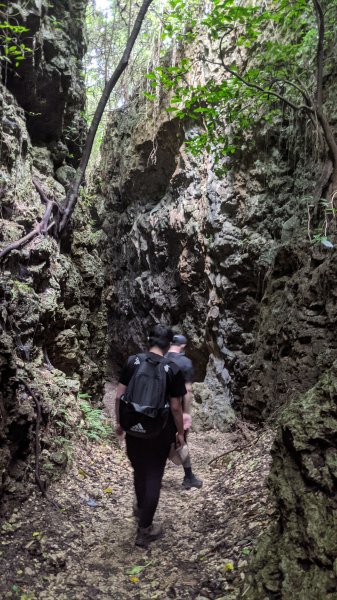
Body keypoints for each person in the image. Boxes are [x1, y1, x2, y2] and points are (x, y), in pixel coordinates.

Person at [115, 324, 186, 547]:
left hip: (133, 427)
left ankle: (141, 509)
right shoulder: (173, 369)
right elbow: (176, 407)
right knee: (154, 475)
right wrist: (180, 433)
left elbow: (119, 396)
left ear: (149, 340)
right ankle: (145, 529)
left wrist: (119, 423)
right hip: (159, 431)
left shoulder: (132, 362)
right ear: (168, 345)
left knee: (139, 470)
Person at [166, 334, 203, 490]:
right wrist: (186, 413)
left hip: (158, 409)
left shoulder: (160, 357)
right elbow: (187, 390)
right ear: (182, 346)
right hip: (177, 409)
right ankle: (189, 477)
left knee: (159, 441)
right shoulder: (185, 362)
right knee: (182, 442)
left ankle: (151, 476)